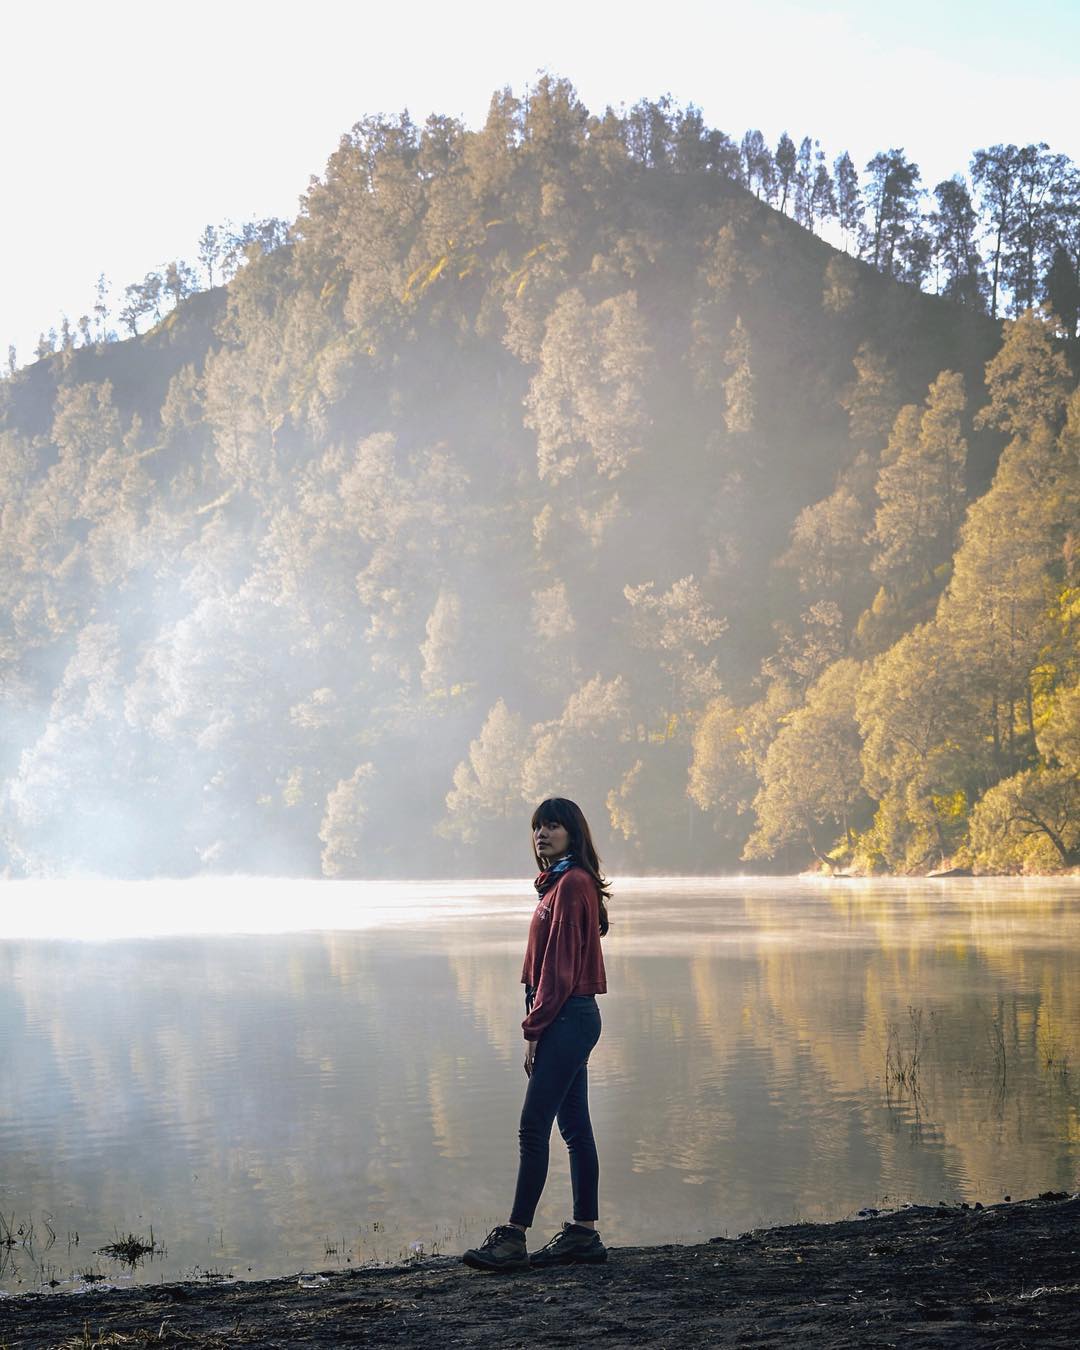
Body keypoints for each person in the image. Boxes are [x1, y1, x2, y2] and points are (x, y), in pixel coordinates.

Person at [462, 797, 610, 1272]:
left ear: (573, 834)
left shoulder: (570, 886)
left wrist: (534, 1030)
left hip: (566, 1017)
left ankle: (513, 1237)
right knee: (574, 1129)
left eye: (553, 826)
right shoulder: (560, 885)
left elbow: (559, 969)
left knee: (533, 1127)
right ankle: (584, 1235)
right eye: (537, 827)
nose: (542, 834)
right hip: (571, 1017)